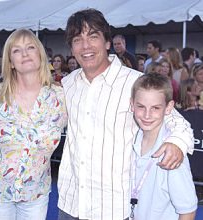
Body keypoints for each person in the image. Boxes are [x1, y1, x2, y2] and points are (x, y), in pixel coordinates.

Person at [58, 8, 193, 220]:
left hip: (111, 207)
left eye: (93, 36)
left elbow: (179, 122)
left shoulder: (134, 83)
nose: (85, 46)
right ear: (71, 48)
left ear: (108, 42)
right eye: (77, 39)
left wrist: (176, 143)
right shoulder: (67, 84)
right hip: (70, 202)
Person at [0, 29, 67, 220]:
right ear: (9, 61)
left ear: (41, 55)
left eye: (30, 47)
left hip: (36, 194)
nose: (25, 53)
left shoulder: (60, 98)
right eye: (16, 50)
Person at [130, 73, 197, 220]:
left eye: (155, 108)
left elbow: (188, 211)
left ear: (168, 108)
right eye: (141, 106)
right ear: (132, 104)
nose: (147, 115)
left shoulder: (171, 155)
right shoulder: (131, 139)